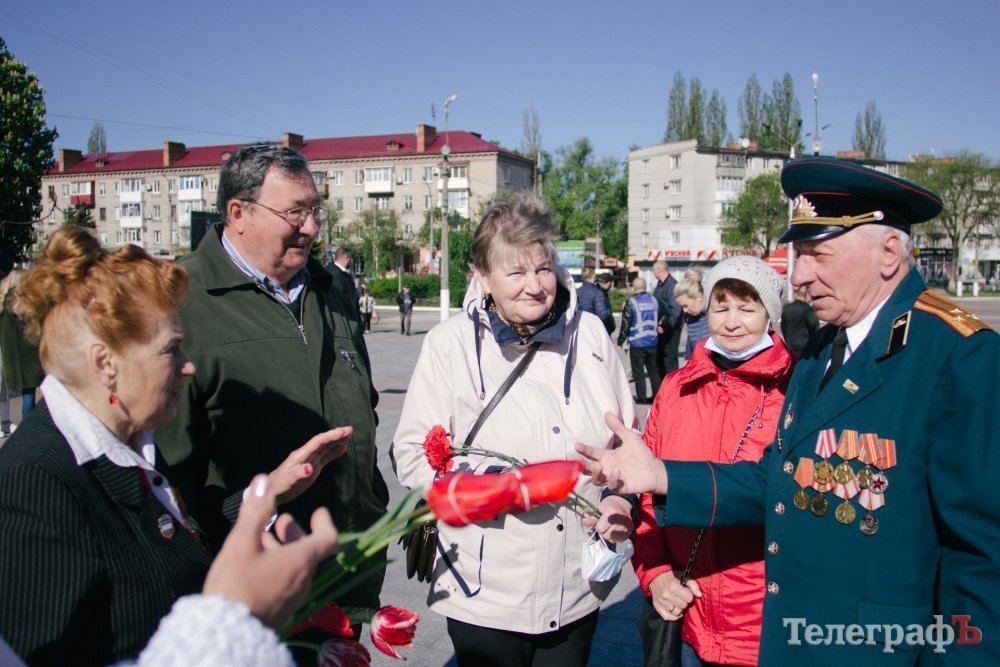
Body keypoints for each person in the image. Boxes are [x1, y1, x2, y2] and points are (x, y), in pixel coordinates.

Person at [577, 158, 999, 665]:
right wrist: (660, 475)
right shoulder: (824, 347)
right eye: (798, 255)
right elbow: (776, 481)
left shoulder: (959, 355)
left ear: (888, 252)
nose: (798, 277)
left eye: (817, 254)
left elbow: (983, 562)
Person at [0, 227, 349, 665]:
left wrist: (271, 491)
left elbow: (178, 539)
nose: (188, 367)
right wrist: (235, 621)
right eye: (172, 350)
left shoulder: (131, 444)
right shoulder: (34, 483)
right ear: (105, 364)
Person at [391, 193, 636, 667]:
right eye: (516, 272)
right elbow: (413, 452)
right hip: (483, 587)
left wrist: (617, 500)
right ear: (482, 276)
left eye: (543, 269)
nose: (535, 286)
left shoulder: (590, 335)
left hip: (575, 584)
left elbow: (627, 441)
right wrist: (501, 489)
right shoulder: (449, 344)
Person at [154, 144, 388, 622]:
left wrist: (373, 502)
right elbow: (167, 476)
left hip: (343, 577)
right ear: (238, 213)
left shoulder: (332, 290)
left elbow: (364, 407)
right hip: (247, 595)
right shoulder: (180, 299)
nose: (312, 227)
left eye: (316, 211)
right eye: (294, 212)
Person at [632, 256, 793, 667]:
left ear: (770, 315)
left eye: (747, 308)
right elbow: (647, 496)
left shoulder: (795, 390)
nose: (732, 322)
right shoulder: (676, 388)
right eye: (721, 308)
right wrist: (656, 573)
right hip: (690, 614)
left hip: (764, 625)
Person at [0, 269, 43, 419]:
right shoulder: (22, 301)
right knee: (31, 397)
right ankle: (31, 427)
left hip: (12, 358)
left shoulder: (4, 301)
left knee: (28, 396)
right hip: (29, 357)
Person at [618, 277, 660, 404]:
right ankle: (657, 397)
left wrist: (621, 340)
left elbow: (626, 323)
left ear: (634, 288)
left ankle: (642, 398)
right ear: (645, 287)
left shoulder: (631, 302)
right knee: (654, 371)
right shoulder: (654, 300)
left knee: (638, 372)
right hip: (653, 341)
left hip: (637, 342)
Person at [652, 260, 683, 377]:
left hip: (671, 329)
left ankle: (673, 386)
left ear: (659, 270)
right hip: (661, 327)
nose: (653, 273)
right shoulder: (660, 284)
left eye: (654, 270)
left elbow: (675, 310)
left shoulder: (672, 285)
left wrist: (665, 325)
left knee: (669, 361)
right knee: (660, 359)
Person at [674, 268, 709, 359]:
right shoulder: (691, 318)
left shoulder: (715, 316)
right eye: (682, 307)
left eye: (686, 305)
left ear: (698, 297)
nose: (684, 310)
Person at [781, 285, 821, 357]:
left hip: (790, 344)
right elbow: (814, 326)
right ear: (806, 295)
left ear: (796, 294)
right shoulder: (807, 309)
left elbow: (783, 327)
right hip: (804, 344)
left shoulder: (786, 308)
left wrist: (787, 339)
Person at [577, 266, 615, 334]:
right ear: (594, 276)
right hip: (594, 329)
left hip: (580, 328)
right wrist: (610, 310)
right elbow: (603, 315)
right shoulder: (597, 292)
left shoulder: (577, 291)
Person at [330, 246, 361, 323]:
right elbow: (340, 301)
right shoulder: (336, 274)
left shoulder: (337, 272)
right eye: (350, 258)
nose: (351, 261)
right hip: (344, 320)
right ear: (346, 258)